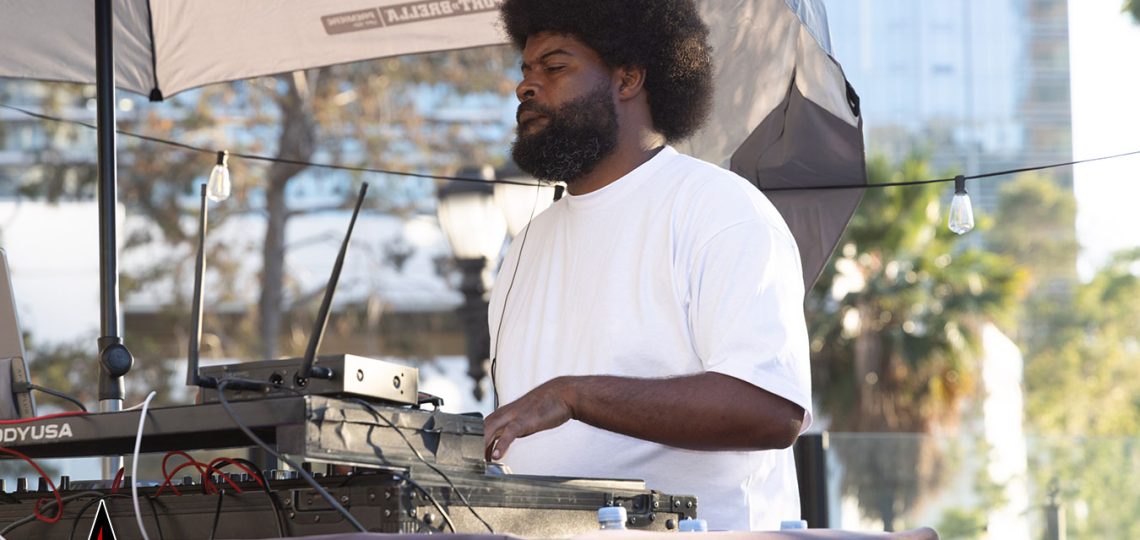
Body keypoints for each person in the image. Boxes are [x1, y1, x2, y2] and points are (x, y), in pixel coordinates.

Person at [483, 0, 813, 531]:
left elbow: (772, 409)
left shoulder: (720, 208)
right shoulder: (525, 245)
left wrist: (573, 395)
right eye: (525, 70)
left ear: (628, 77)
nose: (526, 86)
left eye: (555, 66)